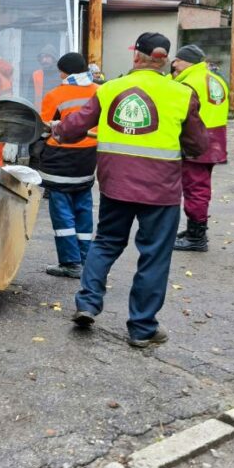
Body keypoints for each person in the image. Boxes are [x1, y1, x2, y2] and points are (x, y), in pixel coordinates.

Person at [51, 32, 208, 348]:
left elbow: (73, 128)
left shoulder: (110, 89)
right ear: (164, 60)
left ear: (137, 57)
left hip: (116, 186)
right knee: (154, 256)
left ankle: (88, 303)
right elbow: (198, 145)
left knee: (106, 242)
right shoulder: (181, 94)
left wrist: (57, 129)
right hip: (161, 191)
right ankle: (142, 329)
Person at [38, 52, 99, 279]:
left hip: (60, 157)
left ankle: (70, 262)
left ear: (64, 72)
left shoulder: (56, 94)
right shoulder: (99, 91)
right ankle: (85, 258)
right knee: (83, 205)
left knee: (62, 209)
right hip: (88, 157)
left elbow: (43, 128)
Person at [170, 44, 230, 252]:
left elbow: (181, 112)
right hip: (215, 140)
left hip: (196, 141)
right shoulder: (216, 79)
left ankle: (197, 236)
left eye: (178, 59)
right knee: (200, 186)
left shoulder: (189, 83)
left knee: (195, 188)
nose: (174, 63)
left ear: (189, 61)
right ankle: (195, 230)